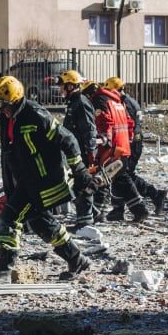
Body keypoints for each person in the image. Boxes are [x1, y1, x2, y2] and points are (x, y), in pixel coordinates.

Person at [0, 75, 93, 284]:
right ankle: (77, 260)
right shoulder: (8, 117)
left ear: (13, 100)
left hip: (43, 182)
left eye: (2, 104)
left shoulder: (36, 115)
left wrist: (80, 170)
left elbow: (69, 140)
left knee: (10, 219)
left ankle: (3, 271)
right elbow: (10, 155)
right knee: (42, 223)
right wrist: (9, 186)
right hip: (26, 182)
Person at [102, 77, 167, 221]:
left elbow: (126, 126)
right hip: (132, 142)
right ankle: (118, 208)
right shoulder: (130, 101)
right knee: (120, 175)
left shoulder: (123, 103)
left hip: (131, 143)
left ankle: (154, 194)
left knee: (124, 176)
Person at [86, 80, 150, 222]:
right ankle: (138, 210)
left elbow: (105, 122)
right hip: (123, 145)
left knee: (103, 177)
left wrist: (103, 140)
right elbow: (129, 122)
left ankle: (99, 212)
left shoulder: (99, 100)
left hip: (111, 147)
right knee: (120, 179)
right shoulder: (116, 101)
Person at [59, 69, 100, 228]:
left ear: (70, 86)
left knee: (83, 185)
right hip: (75, 151)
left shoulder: (81, 103)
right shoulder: (74, 102)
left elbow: (89, 129)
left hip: (82, 151)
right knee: (76, 185)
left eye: (63, 86)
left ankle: (85, 222)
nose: (61, 90)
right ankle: (92, 213)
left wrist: (90, 153)